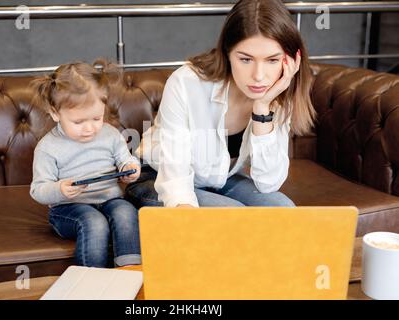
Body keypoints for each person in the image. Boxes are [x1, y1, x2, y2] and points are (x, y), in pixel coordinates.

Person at [125, 0, 316, 208]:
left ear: (290, 60)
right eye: (245, 59)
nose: (259, 76)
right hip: (157, 177)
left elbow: (268, 183)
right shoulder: (187, 82)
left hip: (218, 179)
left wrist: (262, 109)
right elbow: (175, 180)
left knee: (283, 210)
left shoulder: (278, 92)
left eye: (272, 60)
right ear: (226, 53)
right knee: (233, 217)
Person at [30, 60, 142, 267]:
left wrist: (129, 169)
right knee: (94, 222)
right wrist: (60, 189)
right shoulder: (47, 148)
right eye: (79, 122)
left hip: (109, 200)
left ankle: (131, 271)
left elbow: (125, 158)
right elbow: (38, 190)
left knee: (126, 212)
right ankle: (91, 280)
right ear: (55, 113)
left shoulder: (110, 134)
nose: (89, 129)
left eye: (96, 118)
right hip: (68, 209)